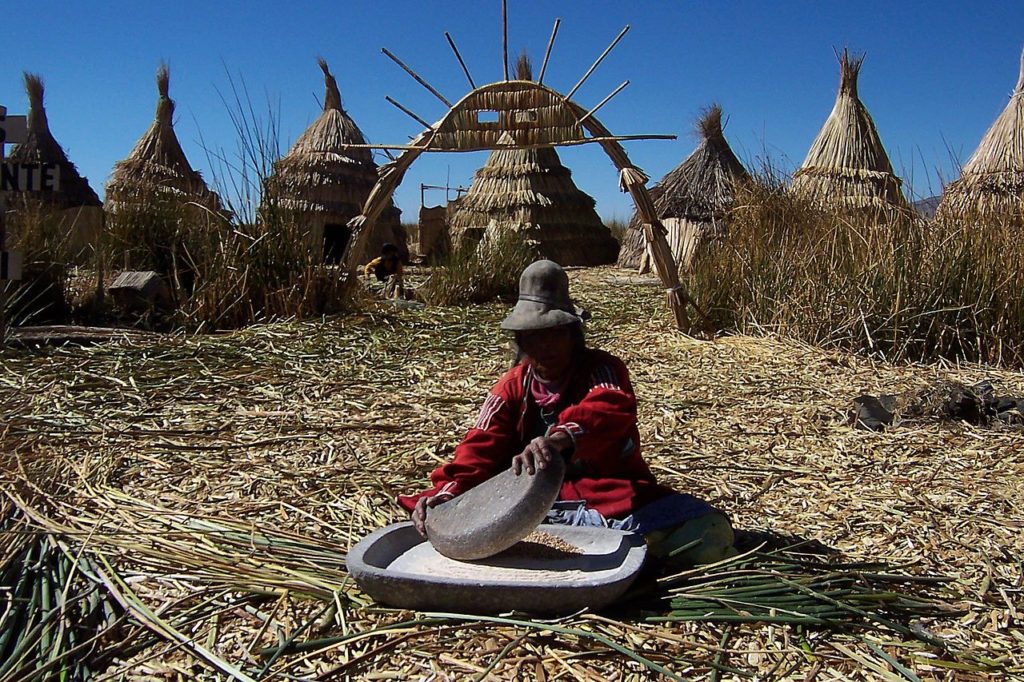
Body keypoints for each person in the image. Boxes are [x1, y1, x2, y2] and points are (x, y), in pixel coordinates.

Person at [398, 260, 735, 567]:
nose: (545, 347)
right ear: (520, 341)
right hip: (535, 511)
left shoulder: (602, 369)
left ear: (574, 334)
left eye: (554, 334)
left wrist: (560, 437)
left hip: (612, 498)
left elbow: (610, 407)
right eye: (533, 337)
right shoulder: (511, 388)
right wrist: (444, 497)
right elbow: (478, 449)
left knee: (710, 532)